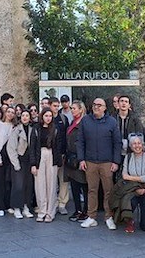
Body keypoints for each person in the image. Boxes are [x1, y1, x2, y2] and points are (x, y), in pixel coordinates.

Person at [77, 97, 121, 231]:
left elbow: (117, 143)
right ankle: (92, 217)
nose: (96, 107)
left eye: (99, 105)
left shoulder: (112, 122)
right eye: (94, 104)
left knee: (108, 191)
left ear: (105, 108)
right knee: (92, 190)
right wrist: (81, 159)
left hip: (107, 162)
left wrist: (116, 161)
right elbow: (80, 141)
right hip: (90, 162)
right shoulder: (85, 120)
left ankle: (108, 217)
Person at [29, 107, 63, 222]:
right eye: (46, 116)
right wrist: (33, 164)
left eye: (50, 116)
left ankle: (50, 212)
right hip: (40, 156)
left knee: (52, 185)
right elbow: (32, 147)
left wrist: (58, 162)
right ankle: (42, 210)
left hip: (52, 156)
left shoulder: (55, 129)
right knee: (40, 185)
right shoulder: (36, 128)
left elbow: (58, 146)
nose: (48, 118)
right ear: (42, 116)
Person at [118, 134, 145, 232]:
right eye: (134, 144)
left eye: (139, 143)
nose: (137, 146)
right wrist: (137, 185)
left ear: (143, 145)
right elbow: (124, 175)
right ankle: (129, 220)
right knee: (128, 201)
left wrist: (131, 178)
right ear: (130, 146)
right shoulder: (128, 157)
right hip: (132, 190)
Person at [7, 109, 34, 219]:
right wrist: (15, 163)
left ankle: (26, 206)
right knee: (18, 185)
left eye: (27, 115)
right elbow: (11, 148)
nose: (25, 117)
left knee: (28, 185)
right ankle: (17, 208)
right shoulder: (16, 130)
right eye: (23, 115)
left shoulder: (33, 129)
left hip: (29, 161)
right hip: (19, 160)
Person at [65, 100, 88, 222]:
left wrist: (82, 158)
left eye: (74, 108)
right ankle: (77, 209)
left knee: (83, 185)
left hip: (80, 158)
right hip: (71, 158)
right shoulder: (72, 123)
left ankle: (85, 211)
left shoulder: (85, 123)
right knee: (74, 184)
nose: (72, 110)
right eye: (71, 108)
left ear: (80, 109)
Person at [0, 106, 17, 216]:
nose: (10, 114)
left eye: (12, 112)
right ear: (5, 113)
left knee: (9, 182)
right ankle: (0, 207)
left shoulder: (15, 126)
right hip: (0, 155)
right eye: (8, 112)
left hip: (10, 156)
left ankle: (8, 205)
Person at [49, 96, 69, 215]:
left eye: (57, 106)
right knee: (51, 181)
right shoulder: (46, 118)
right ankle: (52, 203)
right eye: (54, 106)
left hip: (61, 154)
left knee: (63, 180)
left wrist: (64, 152)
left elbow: (66, 137)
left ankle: (62, 203)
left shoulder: (63, 118)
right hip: (50, 155)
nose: (56, 108)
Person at [115, 95, 143, 168]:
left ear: (129, 105)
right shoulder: (112, 118)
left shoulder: (135, 119)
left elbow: (139, 135)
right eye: (122, 101)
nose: (124, 103)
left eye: (126, 102)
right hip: (115, 152)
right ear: (118, 104)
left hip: (130, 151)